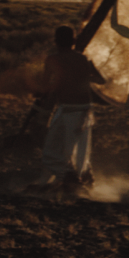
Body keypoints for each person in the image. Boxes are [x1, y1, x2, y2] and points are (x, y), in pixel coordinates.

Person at [29, 25, 105, 194]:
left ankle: (71, 180)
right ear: (74, 41)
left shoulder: (53, 59)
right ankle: (74, 179)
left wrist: (38, 93)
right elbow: (101, 80)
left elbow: (45, 87)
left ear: (56, 42)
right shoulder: (83, 59)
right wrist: (84, 76)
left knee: (52, 152)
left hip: (70, 110)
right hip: (84, 110)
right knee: (76, 150)